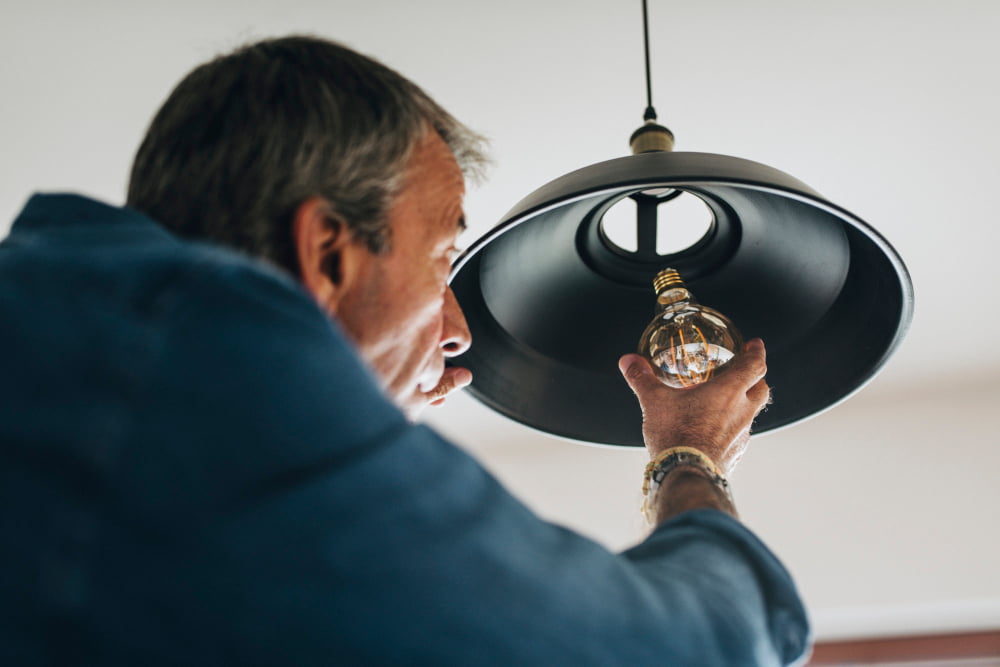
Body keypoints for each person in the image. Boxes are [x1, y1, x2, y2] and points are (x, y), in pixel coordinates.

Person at [0, 36, 809, 665]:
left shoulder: (77, 336)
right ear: (327, 252)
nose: (457, 327)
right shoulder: (242, 399)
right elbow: (699, 646)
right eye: (440, 261)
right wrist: (687, 455)